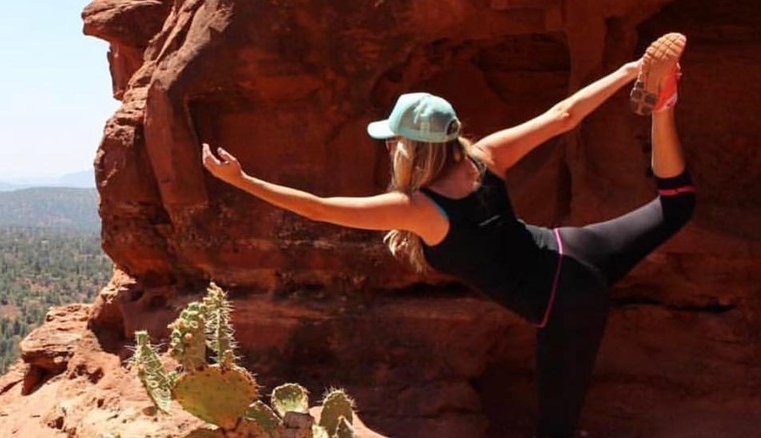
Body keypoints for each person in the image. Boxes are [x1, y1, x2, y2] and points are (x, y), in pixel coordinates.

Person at [202, 33, 695, 438]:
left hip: (564, 301)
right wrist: (630, 70)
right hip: (577, 248)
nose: (390, 145)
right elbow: (564, 116)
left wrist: (243, 182)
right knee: (676, 206)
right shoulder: (486, 156)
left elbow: (319, 209)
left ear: (411, 147)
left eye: (394, 139)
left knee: (556, 430)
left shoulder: (419, 209)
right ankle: (662, 106)